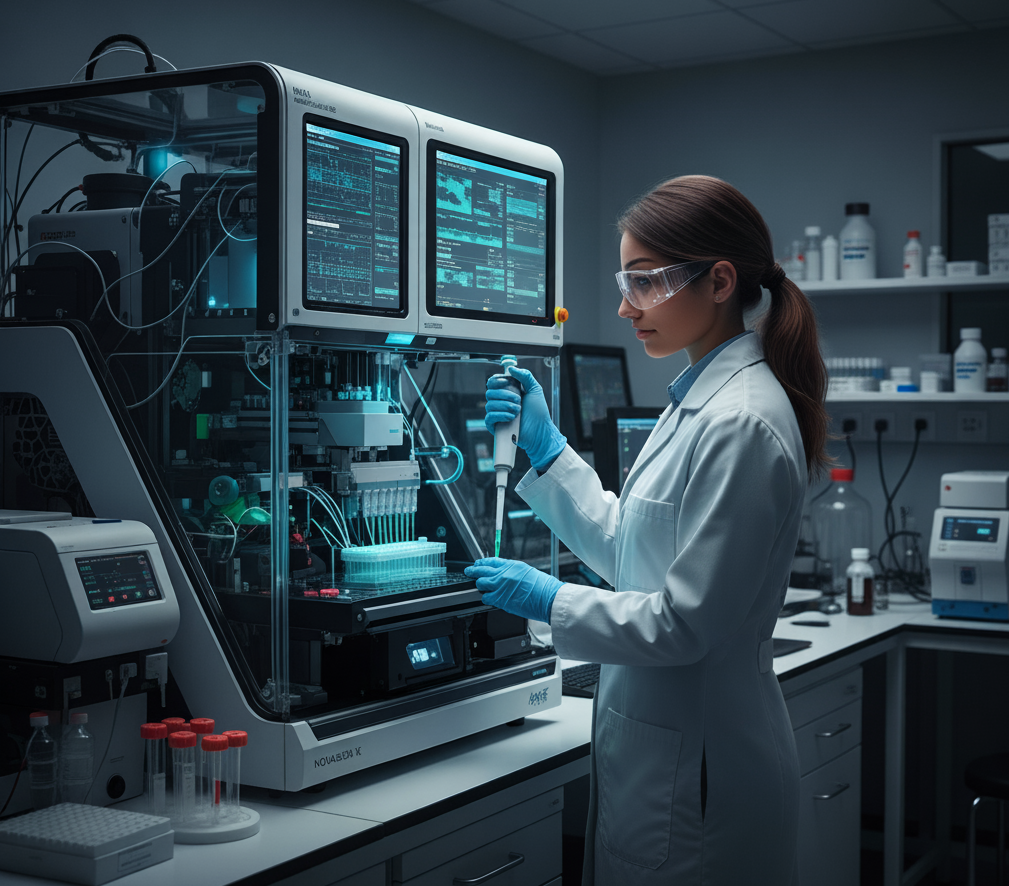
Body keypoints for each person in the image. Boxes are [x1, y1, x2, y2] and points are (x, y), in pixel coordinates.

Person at [465, 175, 829, 885]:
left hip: (703, 775)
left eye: (645, 283)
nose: (625, 307)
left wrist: (549, 601)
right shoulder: (696, 398)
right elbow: (637, 549)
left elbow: (685, 623)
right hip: (668, 756)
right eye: (622, 281)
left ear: (719, 280)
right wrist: (550, 452)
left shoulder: (741, 421)